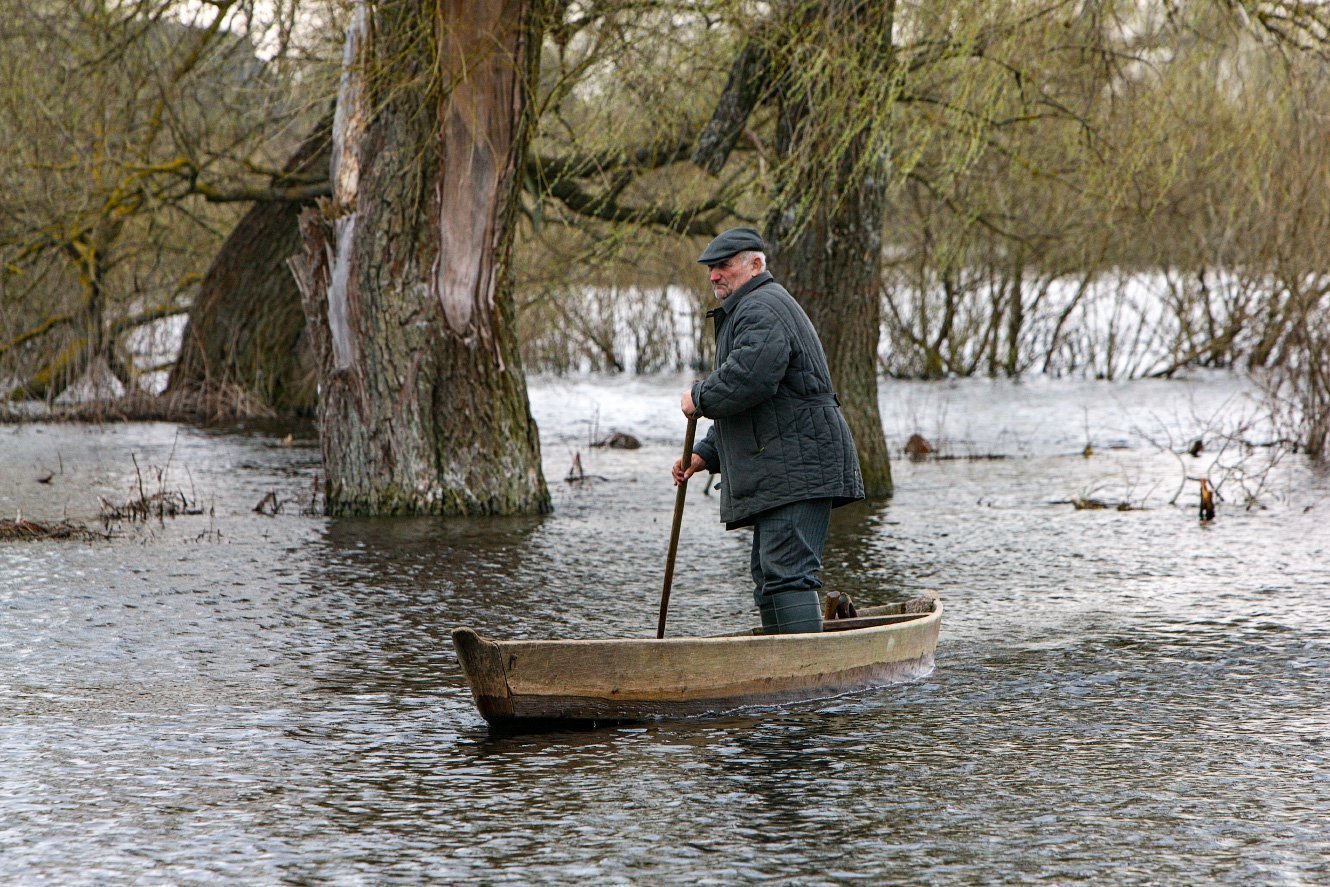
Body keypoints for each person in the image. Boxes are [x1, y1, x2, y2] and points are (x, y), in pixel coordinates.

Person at [672, 227, 865, 634]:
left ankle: (804, 678)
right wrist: (706, 454)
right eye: (711, 268)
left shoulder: (762, 307)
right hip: (787, 462)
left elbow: (749, 379)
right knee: (770, 574)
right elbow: (763, 403)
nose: (714, 276)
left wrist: (700, 397)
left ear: (756, 265)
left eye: (724, 266)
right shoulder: (751, 309)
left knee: (786, 573)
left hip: (799, 465)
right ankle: (786, 673)